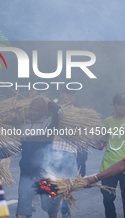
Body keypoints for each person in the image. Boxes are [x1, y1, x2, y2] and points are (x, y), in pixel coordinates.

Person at [17, 98, 62, 218]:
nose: (33, 112)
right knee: (22, 208)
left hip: (45, 171)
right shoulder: (23, 125)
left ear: (43, 111)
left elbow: (59, 113)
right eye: (31, 109)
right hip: (27, 172)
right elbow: (16, 146)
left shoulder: (48, 123)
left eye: (36, 110)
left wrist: (52, 104)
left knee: (50, 206)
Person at [92, 93, 125, 218]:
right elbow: (101, 144)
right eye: (120, 104)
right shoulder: (107, 121)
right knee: (107, 198)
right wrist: (87, 140)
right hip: (109, 166)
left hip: (124, 165)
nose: (123, 106)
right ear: (114, 105)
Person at [56, 87, 80, 218]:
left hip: (70, 152)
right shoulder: (54, 110)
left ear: (75, 96)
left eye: (72, 93)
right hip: (54, 151)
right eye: (67, 93)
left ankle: (66, 211)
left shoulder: (79, 113)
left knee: (69, 185)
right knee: (55, 183)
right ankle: (54, 210)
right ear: (61, 94)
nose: (70, 96)